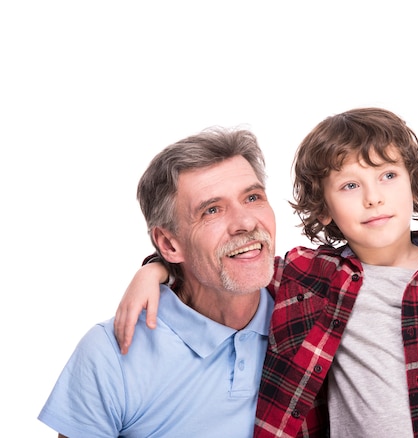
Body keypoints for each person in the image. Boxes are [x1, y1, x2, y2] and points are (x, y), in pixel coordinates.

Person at [115, 108, 418, 437]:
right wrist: (154, 268)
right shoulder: (306, 277)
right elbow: (225, 262)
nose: (373, 199)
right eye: (349, 186)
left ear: (412, 182)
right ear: (323, 208)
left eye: (387, 176)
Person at [38, 127, 277, 437]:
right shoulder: (111, 352)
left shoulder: (314, 315)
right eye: (212, 210)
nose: (245, 223)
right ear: (169, 244)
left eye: (253, 197)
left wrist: (154, 268)